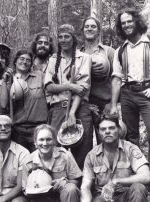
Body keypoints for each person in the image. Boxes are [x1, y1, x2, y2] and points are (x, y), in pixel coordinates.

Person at [109, 8, 150, 169]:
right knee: (130, 136)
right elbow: (116, 78)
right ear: (120, 27)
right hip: (127, 94)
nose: (127, 25)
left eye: (129, 21)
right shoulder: (120, 50)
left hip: (147, 94)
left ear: (137, 21)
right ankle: (136, 170)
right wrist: (114, 104)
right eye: (123, 23)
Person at [44, 24, 92, 169]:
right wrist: (69, 86)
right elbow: (48, 86)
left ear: (73, 38)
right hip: (58, 109)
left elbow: (82, 88)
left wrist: (72, 113)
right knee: (55, 148)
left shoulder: (84, 58)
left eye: (67, 36)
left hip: (80, 108)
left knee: (82, 150)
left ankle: (81, 185)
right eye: (60, 37)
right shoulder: (53, 60)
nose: (63, 40)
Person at [81, 114, 150, 202]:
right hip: (104, 197)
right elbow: (85, 186)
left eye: (111, 128)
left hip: (127, 195)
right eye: (103, 129)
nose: (107, 131)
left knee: (138, 188)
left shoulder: (130, 149)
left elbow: (146, 176)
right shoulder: (91, 155)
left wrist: (115, 182)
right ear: (98, 132)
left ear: (118, 129)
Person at [22, 124, 82, 202]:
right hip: (40, 198)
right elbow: (25, 190)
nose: (45, 143)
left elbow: (77, 180)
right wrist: (38, 187)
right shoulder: (28, 161)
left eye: (48, 139)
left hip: (62, 196)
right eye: (41, 139)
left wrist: (65, 182)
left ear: (54, 141)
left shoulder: (65, 156)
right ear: (35, 142)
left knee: (71, 188)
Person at [80, 17, 115, 144]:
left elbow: (117, 79)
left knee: (108, 143)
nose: (89, 28)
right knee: (84, 145)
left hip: (105, 105)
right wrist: (84, 104)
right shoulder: (78, 54)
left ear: (99, 31)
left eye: (93, 26)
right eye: (87, 26)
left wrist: (112, 103)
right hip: (84, 105)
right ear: (83, 30)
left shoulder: (109, 52)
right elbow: (75, 83)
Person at [11, 50, 48, 152]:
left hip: (38, 128)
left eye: (28, 60)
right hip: (17, 129)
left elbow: (51, 96)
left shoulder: (40, 76)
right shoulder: (9, 78)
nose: (24, 62)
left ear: (31, 64)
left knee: (39, 161)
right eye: (21, 59)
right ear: (15, 61)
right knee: (21, 163)